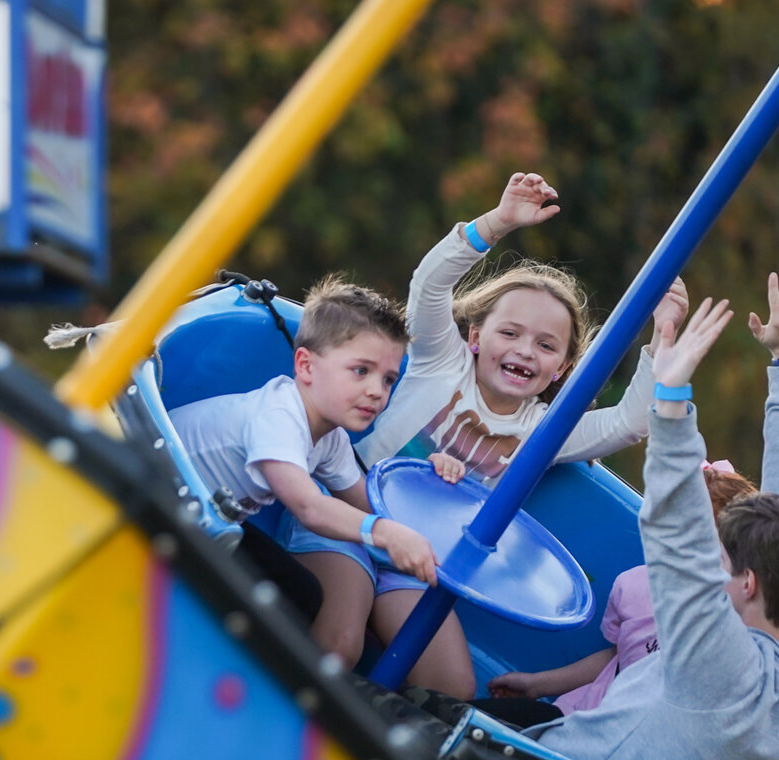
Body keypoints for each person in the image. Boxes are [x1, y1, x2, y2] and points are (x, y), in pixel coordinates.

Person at [285, 172, 688, 698]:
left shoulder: (545, 433)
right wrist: (496, 224)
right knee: (342, 640)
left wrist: (662, 335)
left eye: (546, 346)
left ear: (563, 367)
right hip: (352, 520)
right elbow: (429, 287)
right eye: (510, 333)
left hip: (420, 565)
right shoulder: (440, 363)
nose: (524, 351)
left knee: (453, 689)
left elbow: (630, 422)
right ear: (475, 337)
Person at [527, 266, 779, 760]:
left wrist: (671, 402)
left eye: (721, 560)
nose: (711, 563)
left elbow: (675, 535)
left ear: (747, 583)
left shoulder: (718, 665)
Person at [168, 274, 441, 637]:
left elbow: (366, 501)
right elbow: (310, 507)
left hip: (211, 517)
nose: (377, 391)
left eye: (388, 379)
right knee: (283, 601)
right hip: (164, 499)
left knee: (304, 595)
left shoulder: (330, 438)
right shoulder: (279, 416)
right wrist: (386, 533)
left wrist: (428, 537)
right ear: (306, 366)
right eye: (361, 371)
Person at [486, 463, 757, 713]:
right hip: (579, 714)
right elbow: (618, 656)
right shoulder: (634, 587)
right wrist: (537, 685)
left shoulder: (739, 627)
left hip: (635, 743)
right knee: (481, 717)